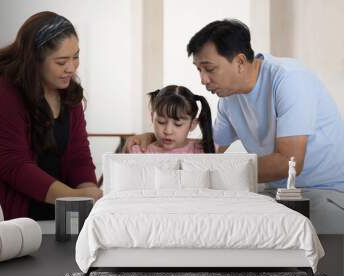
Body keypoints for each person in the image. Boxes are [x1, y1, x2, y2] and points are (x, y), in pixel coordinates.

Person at [126, 19, 344, 190]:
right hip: (277, 192)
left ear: (240, 62)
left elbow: (289, 163)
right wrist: (153, 138)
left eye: (209, 69)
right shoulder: (230, 99)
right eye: (198, 70)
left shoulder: (289, 80)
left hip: (326, 191)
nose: (202, 80)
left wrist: (219, 169)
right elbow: (209, 152)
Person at [0, 11, 103, 220]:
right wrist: (74, 198)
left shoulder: (67, 91)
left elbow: (78, 156)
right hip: (3, 221)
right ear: (34, 59)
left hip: (53, 214)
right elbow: (14, 167)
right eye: (61, 61)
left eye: (76, 57)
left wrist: (89, 195)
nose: (71, 68)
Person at [131, 85, 214, 154]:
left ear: (192, 124)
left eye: (178, 124)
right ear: (152, 117)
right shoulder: (139, 152)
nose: (168, 131)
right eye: (161, 122)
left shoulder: (204, 151)